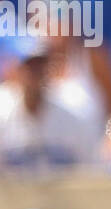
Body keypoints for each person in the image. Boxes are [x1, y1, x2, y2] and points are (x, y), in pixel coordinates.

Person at [0, 38, 103, 168]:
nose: (35, 73)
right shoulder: (3, 113)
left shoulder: (74, 113)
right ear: (17, 69)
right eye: (30, 66)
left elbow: (92, 169)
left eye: (40, 65)